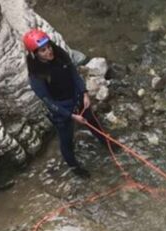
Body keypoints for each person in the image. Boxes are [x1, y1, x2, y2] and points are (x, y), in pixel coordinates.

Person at [23, 28, 110, 177]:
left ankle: (108, 144)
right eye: (43, 50)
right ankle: (75, 168)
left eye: (49, 47)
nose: (49, 51)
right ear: (35, 54)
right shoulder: (36, 76)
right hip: (60, 108)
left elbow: (74, 74)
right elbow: (48, 101)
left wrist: (84, 93)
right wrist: (70, 115)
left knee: (94, 123)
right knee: (66, 140)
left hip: (76, 97)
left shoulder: (59, 54)